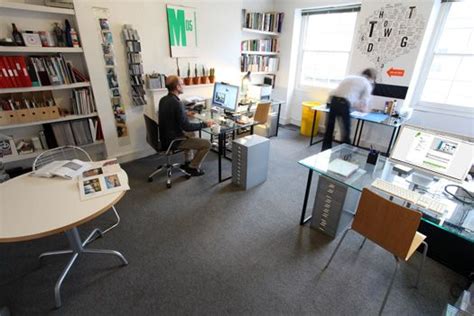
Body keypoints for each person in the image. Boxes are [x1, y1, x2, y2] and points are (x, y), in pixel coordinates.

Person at [158, 76, 214, 176]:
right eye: (181, 83)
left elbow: (172, 114)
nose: (183, 85)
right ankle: (193, 167)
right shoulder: (177, 103)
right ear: (177, 87)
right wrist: (205, 124)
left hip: (165, 136)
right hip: (174, 140)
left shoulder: (163, 99)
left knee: (191, 134)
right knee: (207, 144)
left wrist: (184, 113)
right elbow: (186, 126)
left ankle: (188, 162)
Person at [321, 68, 377, 151]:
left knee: (329, 128)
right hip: (344, 103)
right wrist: (366, 110)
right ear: (371, 78)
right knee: (346, 130)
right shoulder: (367, 84)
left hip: (333, 101)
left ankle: (325, 150)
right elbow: (364, 102)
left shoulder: (349, 77)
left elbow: (342, 91)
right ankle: (345, 154)